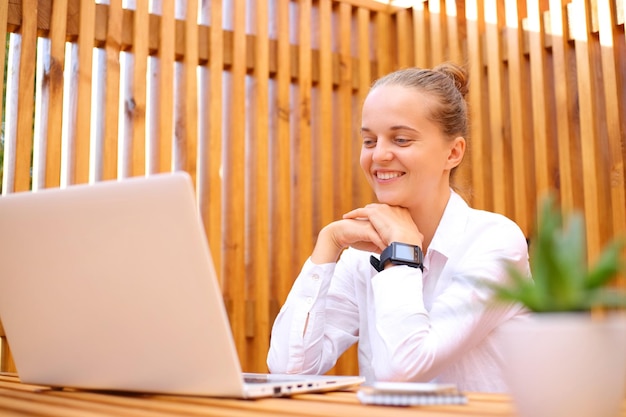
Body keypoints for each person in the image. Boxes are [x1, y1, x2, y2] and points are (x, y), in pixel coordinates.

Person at [266, 62, 530, 393]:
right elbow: (289, 370)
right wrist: (328, 244)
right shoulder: (361, 253)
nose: (379, 155)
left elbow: (404, 371)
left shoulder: (494, 241)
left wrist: (402, 253)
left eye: (401, 139)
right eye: (369, 140)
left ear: (453, 152)